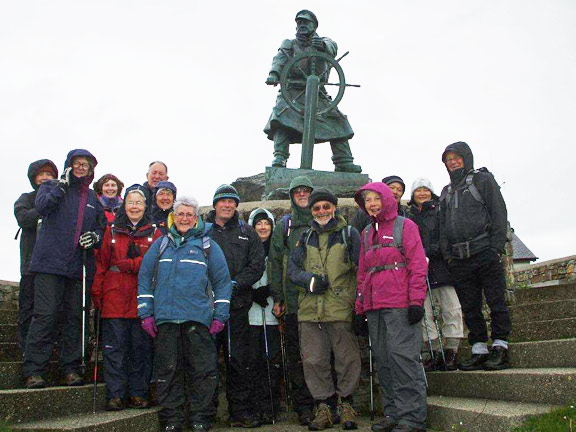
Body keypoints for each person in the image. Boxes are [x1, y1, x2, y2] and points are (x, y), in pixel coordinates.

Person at [138, 196, 232, 432]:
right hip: (166, 320)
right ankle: (172, 419)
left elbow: (222, 282)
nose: (185, 218)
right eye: (180, 214)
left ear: (197, 218)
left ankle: (201, 418)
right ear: (173, 216)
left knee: (202, 372)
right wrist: (146, 314)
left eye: (190, 214)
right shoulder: (160, 245)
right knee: (168, 372)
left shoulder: (208, 246)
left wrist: (220, 315)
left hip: (198, 320)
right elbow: (145, 279)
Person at [23, 149, 106, 389]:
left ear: (91, 171)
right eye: (77, 163)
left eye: (86, 165)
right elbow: (42, 206)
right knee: (45, 316)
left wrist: (94, 237)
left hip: (77, 265)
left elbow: (101, 228)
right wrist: (60, 187)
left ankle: (71, 368)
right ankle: (34, 370)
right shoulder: (52, 186)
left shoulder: (92, 198)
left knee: (74, 317)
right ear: (69, 165)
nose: (81, 168)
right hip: (49, 264)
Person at [354, 182, 428, 432]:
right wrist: (360, 306)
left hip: (400, 305)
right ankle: (393, 413)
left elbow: (418, 265)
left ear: (387, 199)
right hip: (375, 307)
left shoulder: (405, 226)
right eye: (368, 200)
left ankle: (412, 418)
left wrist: (416, 301)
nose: (372, 204)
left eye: (376, 198)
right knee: (383, 361)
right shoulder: (366, 233)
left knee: (403, 360)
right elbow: (363, 272)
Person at [288, 189, 361, 431]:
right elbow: (293, 271)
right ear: (311, 211)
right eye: (317, 208)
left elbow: (360, 269)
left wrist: (358, 304)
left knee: (346, 358)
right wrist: (310, 281)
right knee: (314, 361)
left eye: (326, 207)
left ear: (334, 208)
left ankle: (346, 404)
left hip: (340, 308)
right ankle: (324, 407)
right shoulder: (304, 237)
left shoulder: (349, 234)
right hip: (310, 310)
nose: (322, 211)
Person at [439, 141, 511, 371]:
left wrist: (495, 247)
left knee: (495, 300)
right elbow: (442, 228)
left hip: (484, 252)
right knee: (470, 306)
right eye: (448, 159)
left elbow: (499, 212)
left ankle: (500, 346)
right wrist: (448, 255)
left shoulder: (482, 180)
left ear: (466, 158)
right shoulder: (446, 191)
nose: (452, 162)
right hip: (459, 259)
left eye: (456, 157)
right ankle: (479, 347)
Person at [264, 10, 361, 173]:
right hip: (292, 93)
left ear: (314, 26)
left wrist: (322, 46)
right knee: (281, 118)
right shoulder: (289, 44)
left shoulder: (324, 42)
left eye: (305, 23)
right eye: (299, 23)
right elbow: (279, 59)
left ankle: (343, 161)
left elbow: (332, 47)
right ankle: (280, 157)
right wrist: (274, 74)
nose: (301, 26)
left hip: (317, 94)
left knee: (337, 122)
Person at [92, 185, 162, 411]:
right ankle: (115, 395)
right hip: (114, 298)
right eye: (130, 202)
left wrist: (132, 264)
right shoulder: (111, 230)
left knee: (141, 350)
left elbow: (158, 262)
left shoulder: (155, 233)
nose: (134, 207)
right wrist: (97, 292)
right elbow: (101, 262)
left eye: (139, 203)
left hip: (142, 300)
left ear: (145, 207)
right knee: (114, 350)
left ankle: (138, 394)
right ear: (125, 205)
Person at [204, 184, 266, 428]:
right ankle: (205, 413)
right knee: (206, 363)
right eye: (223, 201)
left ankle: (239, 411)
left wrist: (235, 284)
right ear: (215, 204)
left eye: (231, 202)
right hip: (207, 308)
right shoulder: (203, 231)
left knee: (238, 361)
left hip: (237, 306)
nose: (227, 205)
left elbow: (256, 264)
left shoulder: (247, 232)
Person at [268, 176, 316, 425]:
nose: (302, 194)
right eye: (297, 191)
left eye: (306, 190)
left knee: (320, 356)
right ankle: (304, 407)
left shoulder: (322, 219)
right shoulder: (284, 225)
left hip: (319, 303)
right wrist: (278, 297)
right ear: (291, 195)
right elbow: (275, 263)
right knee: (297, 358)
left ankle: (323, 404)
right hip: (294, 302)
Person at [406, 178, 463, 371]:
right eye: (418, 191)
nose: (422, 194)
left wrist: (431, 250)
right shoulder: (409, 216)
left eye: (425, 190)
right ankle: (435, 350)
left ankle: (452, 349)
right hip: (418, 271)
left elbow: (446, 235)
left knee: (450, 308)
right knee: (425, 313)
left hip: (440, 265)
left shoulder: (440, 210)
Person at [14, 159, 58, 352]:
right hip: (30, 264)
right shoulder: (26, 198)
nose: (45, 178)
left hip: (54, 264)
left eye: (49, 174)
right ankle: (25, 348)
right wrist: (44, 205)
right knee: (27, 309)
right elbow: (24, 219)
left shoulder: (61, 200)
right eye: (41, 174)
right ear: (34, 178)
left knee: (51, 311)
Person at [246, 208, 282, 425]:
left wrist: (270, 290)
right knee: (253, 362)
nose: (262, 227)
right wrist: (252, 293)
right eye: (258, 223)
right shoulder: (247, 249)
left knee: (272, 362)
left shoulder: (277, 250)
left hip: (272, 314)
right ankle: (255, 407)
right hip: (251, 313)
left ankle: (271, 407)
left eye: (266, 223)